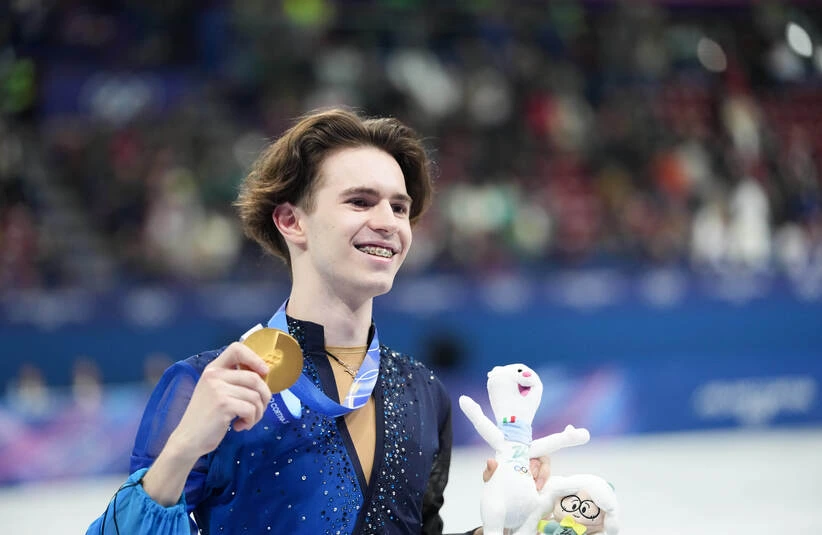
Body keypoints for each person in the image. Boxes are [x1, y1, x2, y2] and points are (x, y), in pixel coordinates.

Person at [87, 108, 549, 535]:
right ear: (292, 221)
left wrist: (504, 529)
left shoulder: (423, 391)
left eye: (399, 207)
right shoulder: (211, 385)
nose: (388, 222)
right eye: (360, 201)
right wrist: (185, 446)